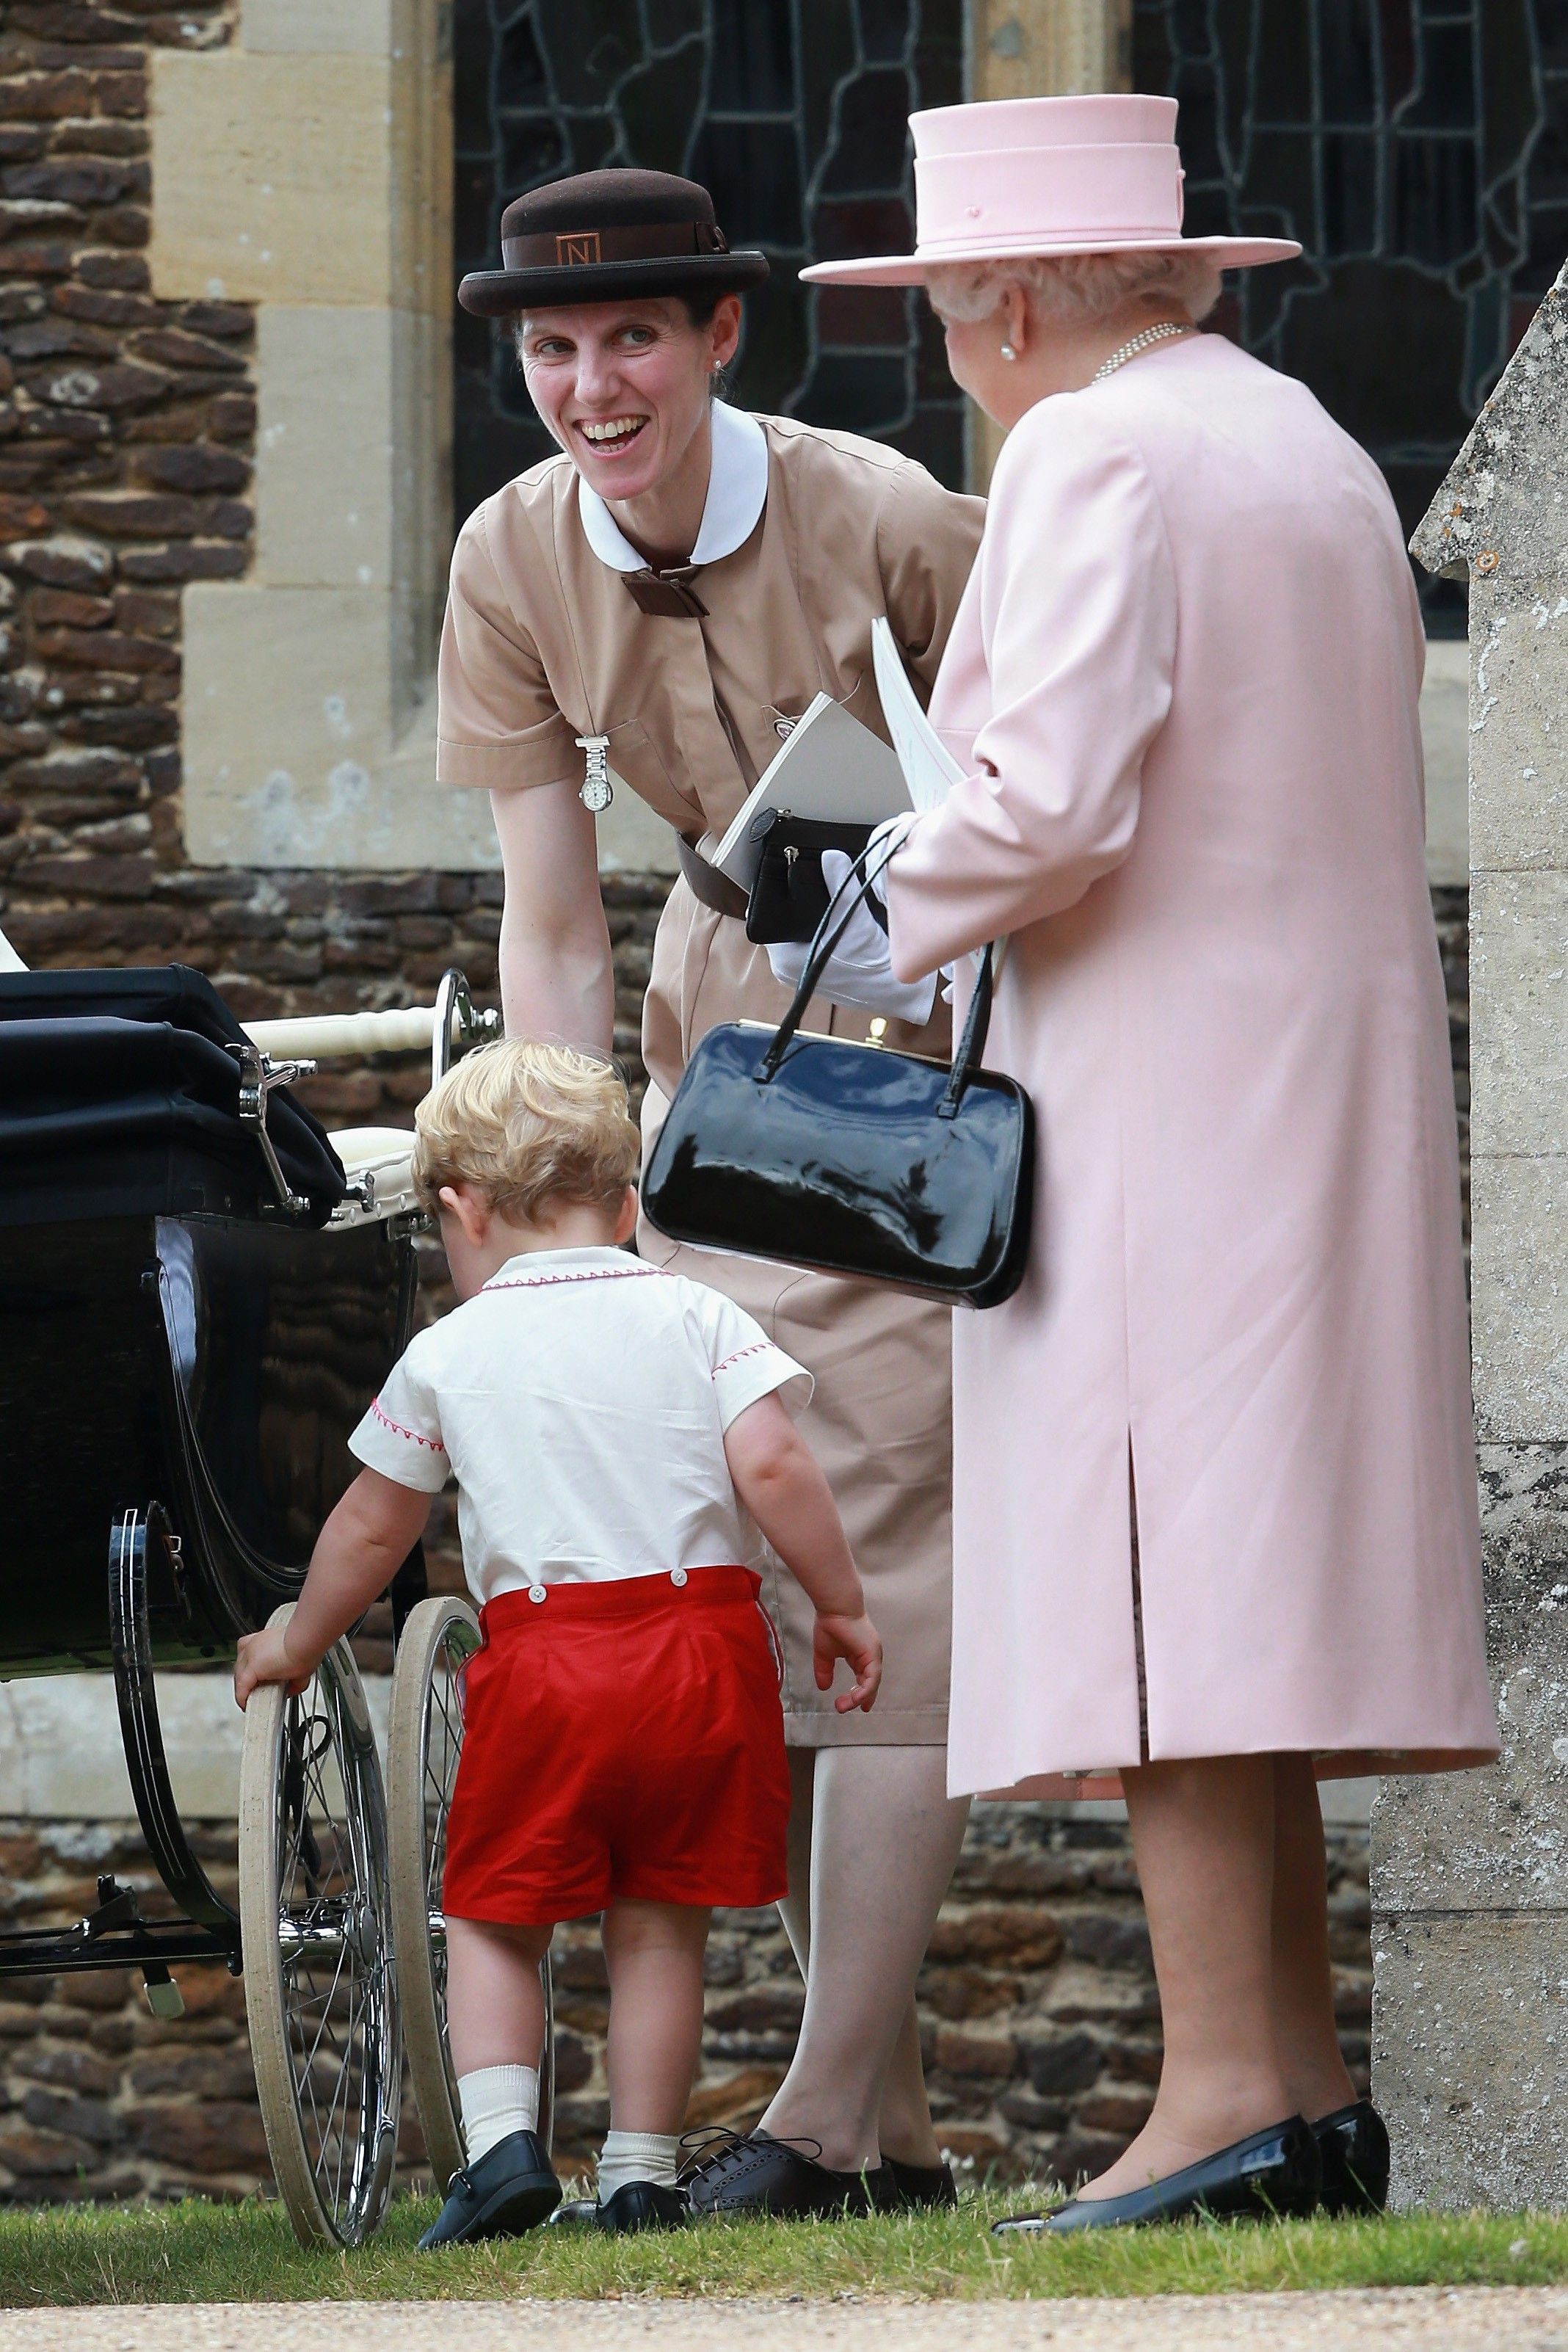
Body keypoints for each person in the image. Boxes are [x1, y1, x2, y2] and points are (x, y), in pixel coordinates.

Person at [795, 92, 1498, 2232]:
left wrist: (837, 884)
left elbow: (1050, 798)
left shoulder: (1091, 450)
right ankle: (1296, 2085)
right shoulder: (1295, 441)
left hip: (1168, 1092)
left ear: (1009, 297)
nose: (946, 354)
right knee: (1244, 1579)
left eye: (944, 309)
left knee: (1164, 1583)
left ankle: (1212, 2096)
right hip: (1319, 1082)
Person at [438, 165, 986, 2217]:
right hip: (702, 1025)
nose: (592, 384)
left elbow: (1066, 776)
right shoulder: (510, 553)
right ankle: (892, 2120)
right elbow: (553, 913)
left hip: (917, 1018)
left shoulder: (891, 515)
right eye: (555, 349)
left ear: (722, 336)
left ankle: (831, 2114)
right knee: (729, 1527)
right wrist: (571, 1186)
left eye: (634, 340)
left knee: (879, 1538)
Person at [234, 1040, 882, 2240]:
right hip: (704, 1651)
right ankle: (639, 2176)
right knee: (659, 1919)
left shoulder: (449, 1352)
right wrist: (837, 1602)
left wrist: (294, 1639)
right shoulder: (696, 1312)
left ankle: (501, 2153)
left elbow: (373, 1528)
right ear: (627, 1204)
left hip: (549, 1659)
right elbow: (778, 1463)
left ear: (459, 1209)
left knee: (492, 1911)